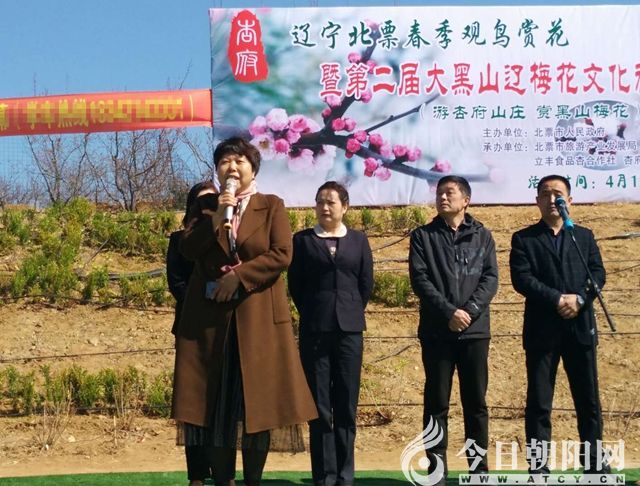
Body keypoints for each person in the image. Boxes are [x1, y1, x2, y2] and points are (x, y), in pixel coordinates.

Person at [171, 137, 318, 486]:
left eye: (239, 161)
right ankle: (223, 480)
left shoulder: (271, 205)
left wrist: (238, 277)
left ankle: (253, 479)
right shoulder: (205, 206)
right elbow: (187, 249)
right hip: (211, 323)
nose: (232, 168)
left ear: (253, 169)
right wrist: (215, 218)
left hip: (259, 321)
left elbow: (282, 253)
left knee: (258, 407)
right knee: (216, 408)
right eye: (225, 162)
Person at [510, 174, 608, 475]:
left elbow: (598, 274)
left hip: (580, 329)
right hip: (542, 331)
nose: (552, 200)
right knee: (540, 403)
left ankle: (594, 465)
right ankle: (539, 468)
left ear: (570, 200)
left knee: (588, 401)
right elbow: (522, 279)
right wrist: (557, 299)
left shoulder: (584, 236)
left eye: (558, 194)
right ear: (537, 200)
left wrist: (580, 299)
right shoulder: (524, 239)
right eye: (546, 194)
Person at [409, 175, 498, 483]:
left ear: (466, 200)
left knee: (476, 404)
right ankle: (436, 472)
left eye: (449, 193)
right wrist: (449, 312)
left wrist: (468, 312)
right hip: (437, 332)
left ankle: (478, 470)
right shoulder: (423, 236)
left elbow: (490, 279)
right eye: (439, 193)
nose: (443, 198)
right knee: (436, 404)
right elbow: (420, 280)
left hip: (474, 332)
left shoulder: (482, 236)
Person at [288, 181, 374, 486]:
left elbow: (365, 283)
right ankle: (324, 476)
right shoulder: (302, 240)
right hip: (315, 329)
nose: (325, 207)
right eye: (320, 201)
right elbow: (296, 285)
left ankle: (345, 475)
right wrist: (316, 310)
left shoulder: (359, 240)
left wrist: (350, 308)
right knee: (320, 406)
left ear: (345, 207)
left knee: (346, 404)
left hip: (350, 330)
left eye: (331, 202)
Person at [167, 180, 217, 483]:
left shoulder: (228, 236)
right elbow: (176, 283)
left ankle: (222, 469)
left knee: (221, 401)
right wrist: (202, 304)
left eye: (212, 200)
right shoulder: (178, 240)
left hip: (223, 327)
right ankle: (197, 473)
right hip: (190, 327)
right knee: (192, 403)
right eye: (201, 201)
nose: (206, 206)